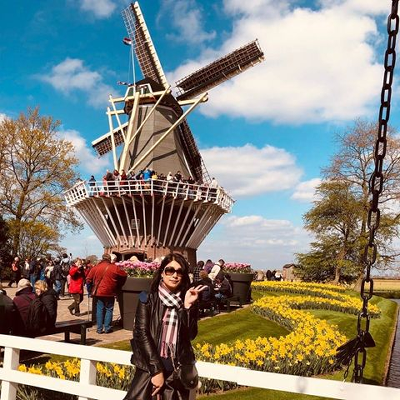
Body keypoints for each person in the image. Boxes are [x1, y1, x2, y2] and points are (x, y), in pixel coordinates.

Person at [123, 253, 205, 400]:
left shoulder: (186, 299)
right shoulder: (148, 298)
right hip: (150, 369)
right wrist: (156, 371)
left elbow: (190, 335)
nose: (175, 275)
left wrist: (187, 308)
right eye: (170, 270)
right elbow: (141, 333)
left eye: (179, 272)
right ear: (162, 273)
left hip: (176, 372)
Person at [86, 253, 127, 334]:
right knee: (109, 309)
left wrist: (89, 290)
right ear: (109, 259)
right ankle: (107, 328)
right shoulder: (114, 267)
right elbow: (124, 275)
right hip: (110, 291)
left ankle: (99, 328)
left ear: (102, 258)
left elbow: (88, 279)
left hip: (98, 292)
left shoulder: (96, 267)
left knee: (99, 309)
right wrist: (119, 285)